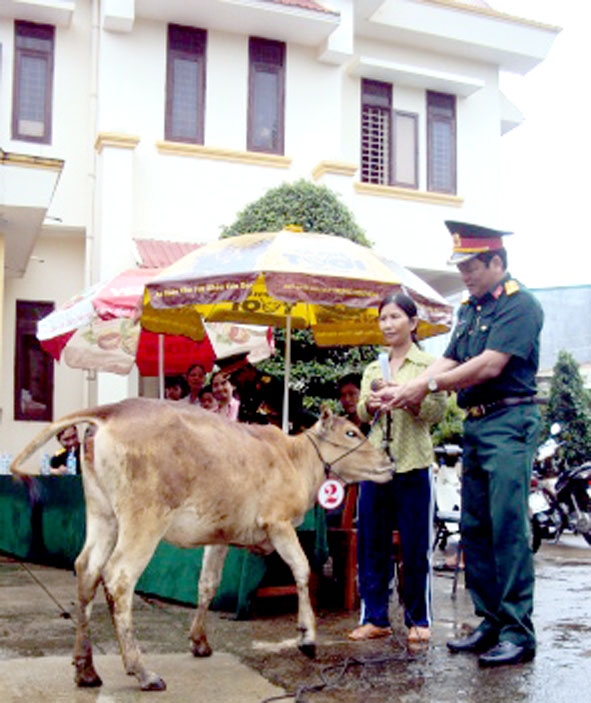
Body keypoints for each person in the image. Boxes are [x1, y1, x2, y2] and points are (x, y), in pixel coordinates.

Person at [386, 221, 544, 667]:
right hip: (477, 425)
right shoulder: (471, 310)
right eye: (461, 267)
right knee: (475, 528)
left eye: (472, 266)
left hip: (510, 420)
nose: (465, 275)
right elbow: (452, 357)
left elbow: (489, 365)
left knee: (507, 526)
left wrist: (427, 384)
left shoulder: (521, 305)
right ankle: (491, 621)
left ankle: (518, 630)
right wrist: (405, 386)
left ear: (496, 262)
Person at [348, 291, 446, 646]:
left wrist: (407, 396)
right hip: (375, 466)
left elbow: (437, 412)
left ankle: (418, 619)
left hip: (414, 463)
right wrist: (371, 402)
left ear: (413, 322)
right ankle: (375, 617)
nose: (388, 324)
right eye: (383, 318)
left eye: (394, 317)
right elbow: (361, 411)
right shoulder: (374, 367)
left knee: (415, 544)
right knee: (371, 542)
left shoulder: (429, 366)